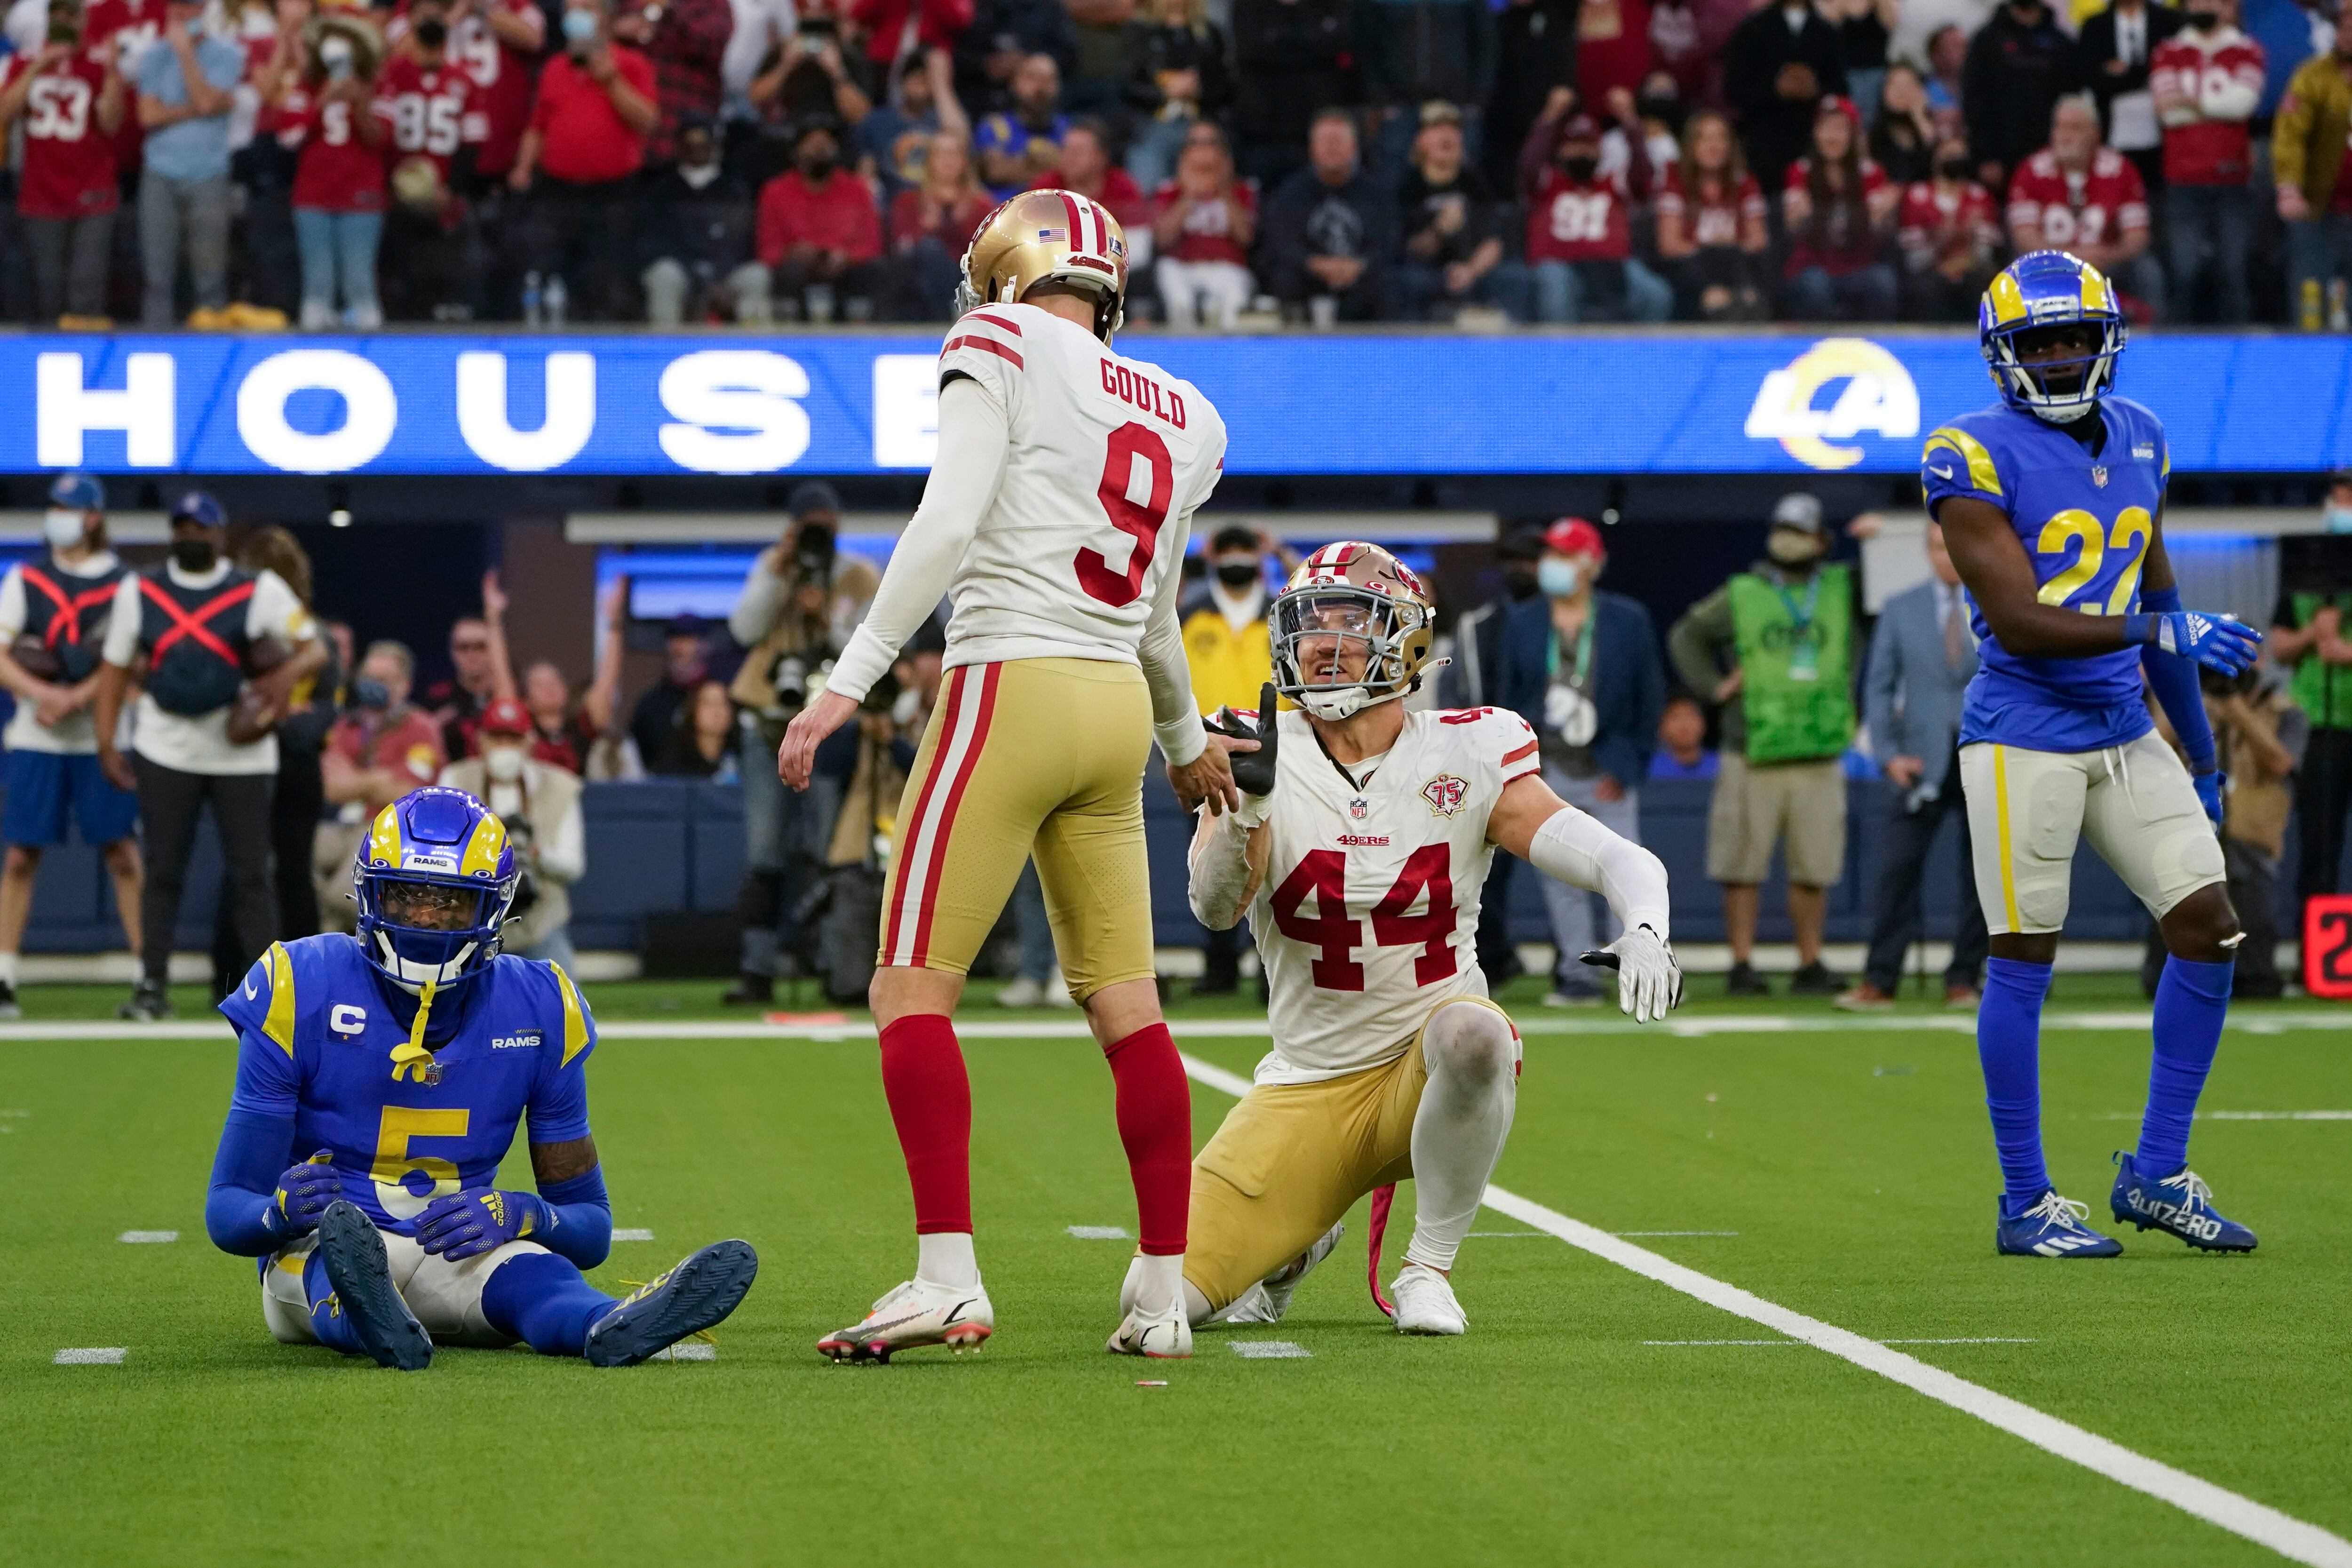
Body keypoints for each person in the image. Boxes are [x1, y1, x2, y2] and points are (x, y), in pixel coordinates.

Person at [774, 186, 1237, 1361]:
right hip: (1113, 710)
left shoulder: (994, 336)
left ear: (1005, 268)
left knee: (908, 987)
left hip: (1007, 686)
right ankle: (1164, 1289)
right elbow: (1156, 613)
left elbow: (944, 520)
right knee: (1129, 1006)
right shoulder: (1189, 412)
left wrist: (851, 679)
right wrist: (1184, 746)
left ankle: (946, 1277)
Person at [1161, 542, 1679, 1338]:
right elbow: (1215, 908)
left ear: (1401, 641)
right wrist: (1250, 810)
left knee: (1474, 1029)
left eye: (1351, 622)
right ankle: (1303, 1240)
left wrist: (1647, 925)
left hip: (1427, 1062)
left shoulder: (1468, 749)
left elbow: (1614, 852)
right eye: (1311, 623)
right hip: (1311, 1078)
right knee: (1152, 1299)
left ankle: (1428, 1266)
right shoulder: (1257, 746)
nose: (1326, 641)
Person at [1925, 248, 2263, 1260]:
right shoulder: (1966, 452)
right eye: (2042, 341)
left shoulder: (2146, 435)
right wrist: (2161, 639)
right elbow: (2022, 621)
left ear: (2107, 340)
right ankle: (2025, 1199)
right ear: (2004, 355)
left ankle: (2156, 1173)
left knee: (2210, 927)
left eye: (2076, 337)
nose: (2063, 356)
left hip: (2122, 728)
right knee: (2024, 954)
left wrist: (2199, 754)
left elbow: (2155, 594)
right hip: (2022, 729)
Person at [204, 786, 757, 1371]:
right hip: (318, 1248)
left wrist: (520, 1214)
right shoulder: (299, 983)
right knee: (330, 1266)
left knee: (538, 1273)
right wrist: (280, 1214)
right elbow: (228, 1206)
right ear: (370, 894)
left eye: (450, 902)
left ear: (493, 907)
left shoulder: (542, 1005)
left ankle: (606, 1323)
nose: (424, 919)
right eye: (406, 897)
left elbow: (590, 1227)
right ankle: (369, 1319)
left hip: (457, 1249)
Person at [94, 492, 325, 1022]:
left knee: (252, 874)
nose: (191, 536)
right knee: (163, 869)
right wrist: (107, 742)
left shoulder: (257, 589)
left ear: (220, 536)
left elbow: (311, 647)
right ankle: (152, 984)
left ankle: (268, 992)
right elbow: (113, 666)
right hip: (164, 743)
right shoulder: (141, 589)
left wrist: (276, 680)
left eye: (201, 528)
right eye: (183, 527)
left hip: (239, 750)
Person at [1668, 492, 1859, 997]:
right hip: (1750, 746)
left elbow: (1892, 589)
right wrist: (1713, 688)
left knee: (1814, 866)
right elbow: (1685, 635)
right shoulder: (1745, 593)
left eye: (1799, 530)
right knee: (1741, 866)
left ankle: (1809, 961)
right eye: (1782, 527)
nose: (1788, 538)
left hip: (1818, 747)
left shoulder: (1843, 589)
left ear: (1822, 540)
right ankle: (1742, 962)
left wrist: (1878, 542)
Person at [1493, 517, 1664, 1005]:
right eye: (1550, 554)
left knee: (1626, 872)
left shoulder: (1627, 619)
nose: (1551, 565)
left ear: (1590, 564)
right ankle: (1577, 972)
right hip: (1546, 768)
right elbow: (1509, 696)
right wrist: (1521, 765)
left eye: (1564, 555)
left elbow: (1647, 697)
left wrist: (1628, 766)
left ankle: (1637, 967)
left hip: (1608, 765)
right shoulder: (1523, 620)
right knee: (1559, 877)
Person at [724, 482, 880, 1004]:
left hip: (828, 727)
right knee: (764, 853)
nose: (819, 532)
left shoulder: (858, 576)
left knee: (827, 851)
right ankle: (757, 969)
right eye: (808, 524)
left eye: (825, 523)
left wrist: (825, 619)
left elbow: (870, 646)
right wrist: (779, 571)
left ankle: (832, 964)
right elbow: (745, 630)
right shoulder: (775, 567)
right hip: (768, 721)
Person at [0, 474, 140, 1018]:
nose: (59, 515)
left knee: (122, 853)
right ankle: (5, 974)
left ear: (94, 517)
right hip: (37, 735)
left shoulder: (125, 583)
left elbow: (128, 659)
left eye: (70, 507)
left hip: (102, 736)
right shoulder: (27, 580)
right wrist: (45, 694)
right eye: (54, 506)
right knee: (19, 855)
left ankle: (142, 974)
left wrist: (81, 697)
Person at [1837, 518, 1987, 1010]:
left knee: (1983, 875)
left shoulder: (1994, 605)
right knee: (1896, 873)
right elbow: (1877, 688)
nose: (1945, 557)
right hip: (1918, 763)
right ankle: (1879, 980)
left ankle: (1964, 978)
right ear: (1926, 552)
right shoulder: (1900, 610)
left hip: (1983, 758)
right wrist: (1886, 755)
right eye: (1936, 548)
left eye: (1952, 547)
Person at [213, 525, 334, 990]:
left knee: (264, 869)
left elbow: (326, 704)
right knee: (259, 869)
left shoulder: (310, 634)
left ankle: (250, 976)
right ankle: (262, 976)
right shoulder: (246, 634)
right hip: (258, 759)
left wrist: (277, 724)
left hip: (280, 760)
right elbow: (327, 704)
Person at [2140, 668, 2304, 998]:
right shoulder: (2178, 701)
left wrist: (2237, 712)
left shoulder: (2285, 712)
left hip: (2252, 834)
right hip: (2187, 828)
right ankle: (2168, 973)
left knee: (2250, 892)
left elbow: (2280, 763)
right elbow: (2146, 751)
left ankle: (2255, 973)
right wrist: (2188, 708)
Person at [508, 0, 658, 321]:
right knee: (557, 269)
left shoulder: (632, 64)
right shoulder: (555, 68)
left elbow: (647, 121)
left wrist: (612, 81)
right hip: (560, 193)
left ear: (605, 20)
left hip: (613, 195)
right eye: (572, 10)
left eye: (587, 9)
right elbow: (538, 125)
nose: (577, 17)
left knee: (608, 277)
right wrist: (523, 167)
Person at [1180, 525, 1280, 996]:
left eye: (1248, 549)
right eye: (1229, 550)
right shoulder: (1189, 613)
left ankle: (1270, 972)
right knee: (1207, 860)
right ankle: (1217, 968)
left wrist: (1277, 549)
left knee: (1276, 861)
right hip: (1207, 752)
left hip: (1276, 751)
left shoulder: (1282, 613)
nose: (1237, 558)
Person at [0, 0, 126, 326]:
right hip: (42, 192)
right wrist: (36, 68)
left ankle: (88, 368)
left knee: (87, 293)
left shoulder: (98, 65)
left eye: (71, 17)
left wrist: (113, 72)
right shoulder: (26, 62)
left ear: (84, 21)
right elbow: (4, 115)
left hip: (93, 191)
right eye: (58, 17)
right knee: (46, 293)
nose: (65, 23)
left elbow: (112, 124)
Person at [438, 699, 585, 969]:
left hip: (539, 918)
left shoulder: (560, 785)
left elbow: (573, 865)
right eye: (497, 738)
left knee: (563, 1001)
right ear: (481, 741)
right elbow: (442, 850)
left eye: (513, 739)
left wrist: (536, 854)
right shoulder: (456, 779)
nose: (505, 748)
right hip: (471, 920)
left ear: (529, 743)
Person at [2266, 473, 2352, 908]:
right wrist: (2311, 637)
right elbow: (2279, 646)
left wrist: (2344, 651)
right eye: (2340, 493)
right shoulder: (2306, 569)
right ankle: (2313, 955)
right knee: (2319, 844)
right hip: (2317, 726)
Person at [2150, 0, 2263, 325]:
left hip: (2232, 178)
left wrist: (2192, 103)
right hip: (2184, 178)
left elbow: (2243, 104)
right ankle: (2179, 358)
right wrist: (2217, 107)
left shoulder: (2246, 49)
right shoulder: (2168, 50)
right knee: (2185, 272)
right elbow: (2169, 112)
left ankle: (2244, 357)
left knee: (2234, 272)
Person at [134, 0, 246, 326]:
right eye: (175, 12)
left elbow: (206, 100)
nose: (181, 18)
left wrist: (185, 54)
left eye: (188, 11)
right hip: (159, 173)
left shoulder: (228, 55)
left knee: (210, 276)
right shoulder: (153, 56)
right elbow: (147, 115)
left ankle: (211, 351)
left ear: (202, 13)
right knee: (157, 276)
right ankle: (155, 346)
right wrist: (198, 110)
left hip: (209, 173)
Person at [374, 0, 486, 324]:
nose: (429, 22)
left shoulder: (464, 79)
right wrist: (389, 187)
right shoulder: (393, 74)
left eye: (436, 16)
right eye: (421, 16)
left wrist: (452, 190)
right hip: (396, 199)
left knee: (446, 283)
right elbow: (378, 138)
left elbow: (472, 144)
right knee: (399, 289)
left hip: (444, 201)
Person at [276, 15, 388, 329]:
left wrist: (360, 106)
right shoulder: (306, 88)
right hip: (314, 195)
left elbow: (382, 140)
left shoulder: (378, 87)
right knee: (317, 285)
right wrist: (320, 104)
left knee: (360, 282)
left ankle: (371, 348)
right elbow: (288, 139)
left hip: (361, 195)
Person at [2006, 96, 2164, 317]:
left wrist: (2106, 255)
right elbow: (2024, 236)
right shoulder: (2031, 171)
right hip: (2049, 266)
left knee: (2147, 271)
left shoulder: (2121, 171)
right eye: (2060, 127)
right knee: (2017, 270)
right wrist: (2070, 257)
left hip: (2107, 265)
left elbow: (2137, 237)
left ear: (2095, 134)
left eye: (2075, 128)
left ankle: (2154, 340)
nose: (2065, 136)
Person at [1523, 111, 1672, 323]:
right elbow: (1529, 165)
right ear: (1561, 150)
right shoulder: (1548, 182)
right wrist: (1548, 118)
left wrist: (1631, 124)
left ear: (1600, 151)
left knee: (1657, 294)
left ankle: (1642, 355)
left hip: (1613, 265)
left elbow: (1643, 176)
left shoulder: (1613, 183)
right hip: (1561, 263)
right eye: (1574, 145)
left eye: (1588, 146)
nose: (1581, 152)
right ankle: (1561, 354)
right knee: (1556, 287)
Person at [1393, 100, 1528, 321]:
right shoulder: (1407, 186)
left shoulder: (1476, 182)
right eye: (1436, 128)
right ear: (1420, 141)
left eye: (1454, 129)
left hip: (1474, 268)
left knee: (1514, 279)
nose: (1446, 136)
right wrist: (1440, 231)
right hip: (1427, 271)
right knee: (1408, 282)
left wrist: (1471, 271)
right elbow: (1407, 249)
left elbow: (1493, 243)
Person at [1260, 107, 1393, 323]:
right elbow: (1281, 242)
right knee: (1285, 277)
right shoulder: (1291, 192)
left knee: (1389, 282)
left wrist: (1359, 265)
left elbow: (1388, 243)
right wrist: (1315, 263)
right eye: (1325, 141)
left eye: (1338, 141)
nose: (1331, 148)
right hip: (1309, 273)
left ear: (1354, 147)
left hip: (1360, 274)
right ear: (1312, 148)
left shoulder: (1376, 193)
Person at [638, 113, 767, 325]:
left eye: (703, 143)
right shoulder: (662, 190)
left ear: (715, 145)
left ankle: (756, 348)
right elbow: (654, 244)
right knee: (664, 274)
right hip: (683, 273)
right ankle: (663, 349)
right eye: (690, 143)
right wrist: (701, 280)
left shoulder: (734, 190)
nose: (697, 149)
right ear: (679, 146)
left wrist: (718, 278)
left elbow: (744, 244)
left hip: (726, 274)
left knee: (756, 275)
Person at [2271, 6, 2352, 333]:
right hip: (2319, 205)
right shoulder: (2312, 76)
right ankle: (2307, 361)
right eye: (2345, 27)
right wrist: (2289, 188)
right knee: (2311, 286)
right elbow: (2290, 136)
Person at [1780, 95, 1897, 323]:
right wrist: (1797, 217)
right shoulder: (1800, 171)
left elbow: (1880, 231)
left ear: (1854, 136)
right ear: (1815, 133)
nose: (1832, 137)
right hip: (1812, 267)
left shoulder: (1871, 174)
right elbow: (1792, 227)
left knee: (1883, 281)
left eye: (1840, 129)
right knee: (1816, 286)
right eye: (1826, 128)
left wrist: (1884, 215)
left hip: (1857, 267)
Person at [756, 117, 886, 319]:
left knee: (874, 271)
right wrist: (794, 253)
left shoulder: (857, 189)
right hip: (796, 270)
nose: (819, 152)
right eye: (812, 146)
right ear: (796, 152)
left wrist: (846, 256)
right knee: (788, 273)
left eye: (826, 146)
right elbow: (768, 250)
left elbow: (872, 245)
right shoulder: (775, 191)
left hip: (846, 268)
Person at [1654, 108, 1768, 321]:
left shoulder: (1745, 183)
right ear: (1691, 146)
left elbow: (1758, 240)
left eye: (1720, 138)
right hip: (1693, 270)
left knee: (1749, 285)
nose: (1713, 147)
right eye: (1705, 139)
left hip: (1736, 263)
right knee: (1703, 278)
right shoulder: (1675, 183)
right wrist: (1710, 247)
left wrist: (1726, 245)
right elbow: (1670, 245)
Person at [1722, 0, 1847, 191]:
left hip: (1811, 143)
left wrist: (1815, 91)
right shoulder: (1753, 29)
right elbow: (1734, 88)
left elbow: (1840, 91)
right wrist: (1775, 90)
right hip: (1763, 141)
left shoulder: (1825, 31)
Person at [323, 641, 446, 820]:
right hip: (343, 827)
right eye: (367, 678)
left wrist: (354, 783)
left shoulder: (421, 728)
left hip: (398, 828)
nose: (372, 685)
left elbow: (410, 795)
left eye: (382, 680)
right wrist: (378, 781)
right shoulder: (346, 725)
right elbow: (331, 789)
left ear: (405, 684)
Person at [1149, 122, 1255, 328]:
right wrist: (1188, 195)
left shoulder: (1242, 191)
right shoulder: (1169, 191)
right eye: (1195, 145)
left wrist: (1224, 189)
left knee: (1233, 301)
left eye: (1210, 144)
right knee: (1172, 283)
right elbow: (1162, 240)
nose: (1203, 152)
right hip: (1182, 267)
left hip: (1227, 267)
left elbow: (1247, 238)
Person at [1117, 0, 1230, 190]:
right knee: (1146, 180)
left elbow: (1226, 85)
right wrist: (1164, 92)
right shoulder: (1139, 31)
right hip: (1150, 124)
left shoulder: (1210, 33)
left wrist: (1199, 89)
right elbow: (1126, 85)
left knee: (1210, 179)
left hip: (1200, 124)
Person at [1961, 0, 2071, 193]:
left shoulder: (2061, 43)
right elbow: (1974, 100)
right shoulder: (1987, 39)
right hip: (2000, 160)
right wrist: (1985, 156)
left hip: (2051, 157)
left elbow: (2071, 102)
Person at [2074, 0, 2181, 195]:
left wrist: (2124, 74)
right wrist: (2146, 75)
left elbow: (2177, 73)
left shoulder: (2170, 22)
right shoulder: (2095, 26)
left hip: (2165, 141)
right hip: (2111, 138)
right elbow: (2091, 79)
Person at [886, 127, 991, 319]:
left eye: (954, 154)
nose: (948, 161)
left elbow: (986, 255)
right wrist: (925, 228)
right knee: (928, 250)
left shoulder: (982, 205)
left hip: (966, 281)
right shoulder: (908, 202)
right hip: (918, 285)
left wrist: (957, 226)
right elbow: (902, 247)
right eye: (941, 154)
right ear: (929, 161)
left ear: (965, 161)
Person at [1896, 132, 1999, 321]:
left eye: (1960, 156)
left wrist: (1967, 246)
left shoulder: (1980, 197)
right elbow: (1914, 260)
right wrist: (1944, 238)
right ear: (1935, 159)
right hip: (1928, 274)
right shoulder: (1917, 197)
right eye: (1949, 155)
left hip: (1971, 273)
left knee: (1979, 285)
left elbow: (1986, 256)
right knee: (1928, 288)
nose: (1955, 161)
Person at [972, 50, 1066, 195]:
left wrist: (1018, 164)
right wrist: (1054, 169)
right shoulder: (994, 126)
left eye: (1048, 80)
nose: (1040, 88)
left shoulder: (1069, 130)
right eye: (1032, 78)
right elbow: (995, 171)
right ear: (1015, 83)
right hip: (1005, 212)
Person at [627, 613, 709, 766]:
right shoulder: (651, 703)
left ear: (704, 646)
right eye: (674, 639)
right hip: (660, 786)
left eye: (688, 639)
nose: (679, 647)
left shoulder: (718, 700)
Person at [1649, 692, 1716, 779]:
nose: (1684, 725)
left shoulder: (1723, 767)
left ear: (1703, 723)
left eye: (1690, 715)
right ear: (1662, 727)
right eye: (1676, 717)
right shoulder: (1648, 769)